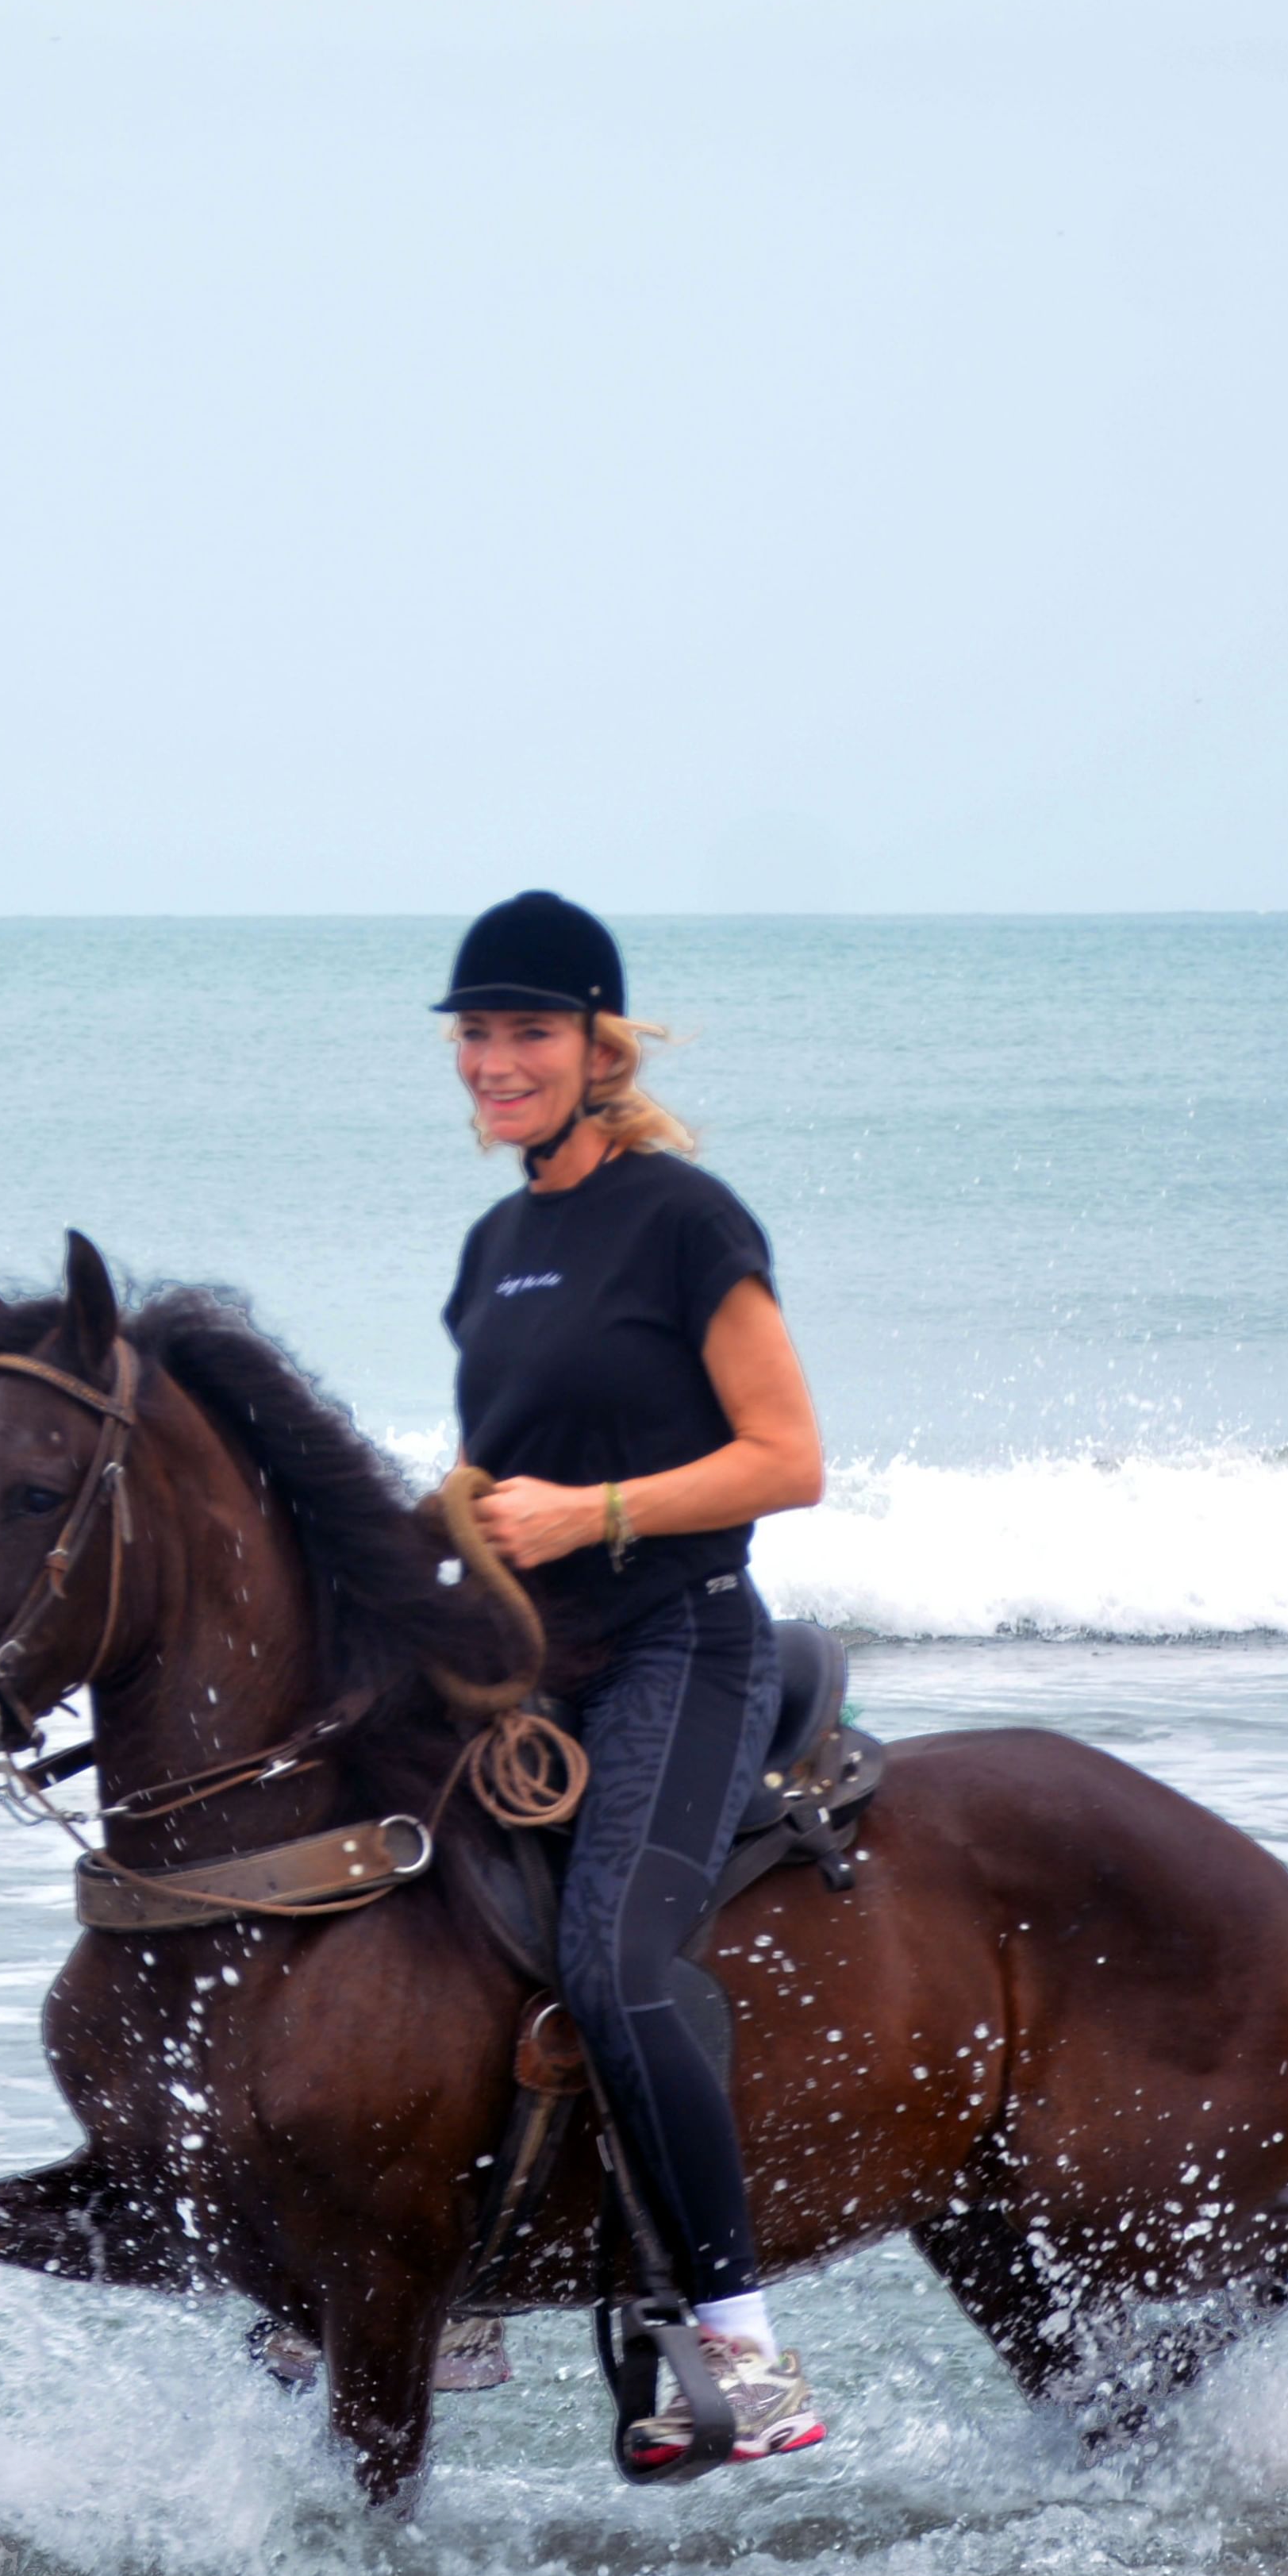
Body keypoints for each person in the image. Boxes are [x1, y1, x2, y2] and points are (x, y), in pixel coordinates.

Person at [439, 888, 832, 2468]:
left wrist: (593, 1513)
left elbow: (788, 1459)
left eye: (526, 1030)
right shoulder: (494, 1246)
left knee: (606, 1953)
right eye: (474, 1032)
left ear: (598, 1045)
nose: (493, 1059)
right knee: (392, 1894)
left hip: (683, 1636)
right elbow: (494, 1468)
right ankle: (441, 2288)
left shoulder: (684, 1219)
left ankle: (735, 2352)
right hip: (536, 1656)